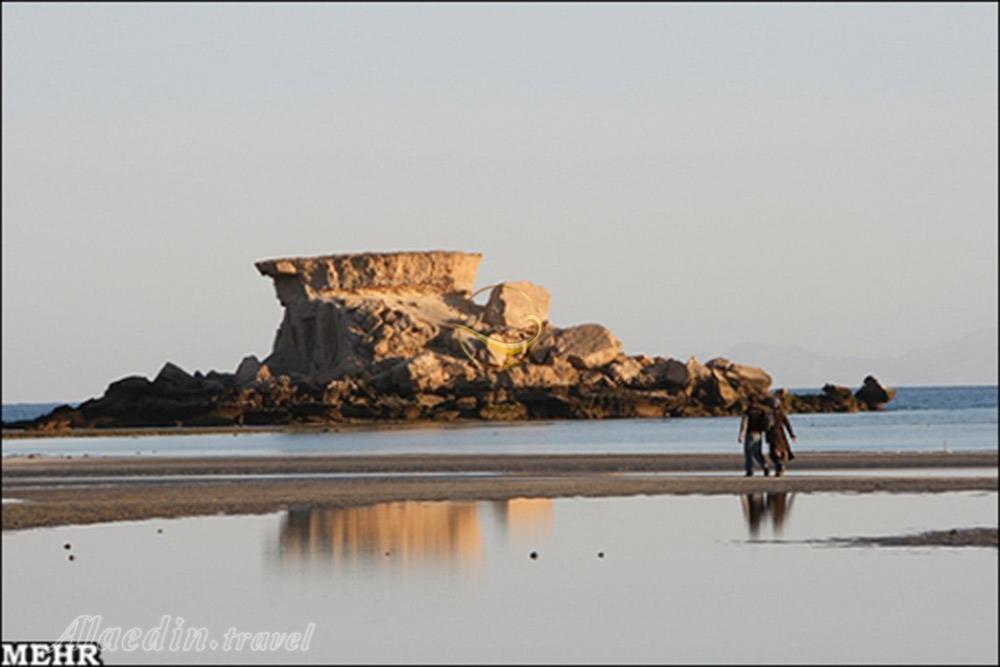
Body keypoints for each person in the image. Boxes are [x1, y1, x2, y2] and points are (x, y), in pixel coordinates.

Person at [738, 395, 771, 477]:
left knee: (748, 453)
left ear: (749, 401)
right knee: (757, 453)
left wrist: (741, 436)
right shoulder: (761, 411)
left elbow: (744, 424)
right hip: (759, 434)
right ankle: (765, 465)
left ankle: (750, 470)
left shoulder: (747, 412)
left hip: (750, 434)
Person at [764, 396, 797, 476]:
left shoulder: (769, 414)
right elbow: (787, 424)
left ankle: (779, 467)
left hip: (773, 434)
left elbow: (767, 426)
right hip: (781, 434)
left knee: (773, 453)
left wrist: (766, 437)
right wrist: (792, 435)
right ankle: (779, 469)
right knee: (782, 452)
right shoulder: (781, 413)